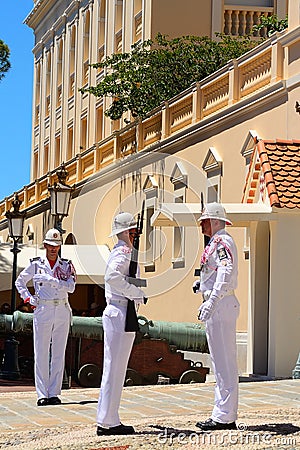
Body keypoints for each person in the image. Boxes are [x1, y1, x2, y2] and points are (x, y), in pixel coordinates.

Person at [96, 212, 146, 436]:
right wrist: (134, 292)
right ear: (126, 232)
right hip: (119, 310)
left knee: (114, 368)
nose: (135, 235)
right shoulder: (124, 252)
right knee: (114, 369)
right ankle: (108, 421)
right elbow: (112, 278)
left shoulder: (121, 250)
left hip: (120, 311)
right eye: (133, 231)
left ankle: (108, 417)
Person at [15, 228, 76, 406]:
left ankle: (54, 393)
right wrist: (28, 298)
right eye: (50, 245)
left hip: (62, 310)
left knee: (58, 352)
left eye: (56, 246)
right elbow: (20, 281)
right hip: (43, 309)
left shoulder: (66, 265)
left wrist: (52, 281)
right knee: (41, 352)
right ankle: (42, 394)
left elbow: (71, 287)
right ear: (45, 245)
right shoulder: (36, 264)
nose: (53, 249)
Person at [193, 202, 240, 431]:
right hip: (218, 303)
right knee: (219, 362)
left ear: (214, 220)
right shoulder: (216, 242)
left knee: (225, 363)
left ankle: (225, 416)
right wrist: (201, 285)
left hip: (220, 305)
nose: (201, 224)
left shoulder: (222, 241)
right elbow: (214, 271)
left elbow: (225, 269)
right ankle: (222, 412)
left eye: (204, 220)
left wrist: (211, 300)